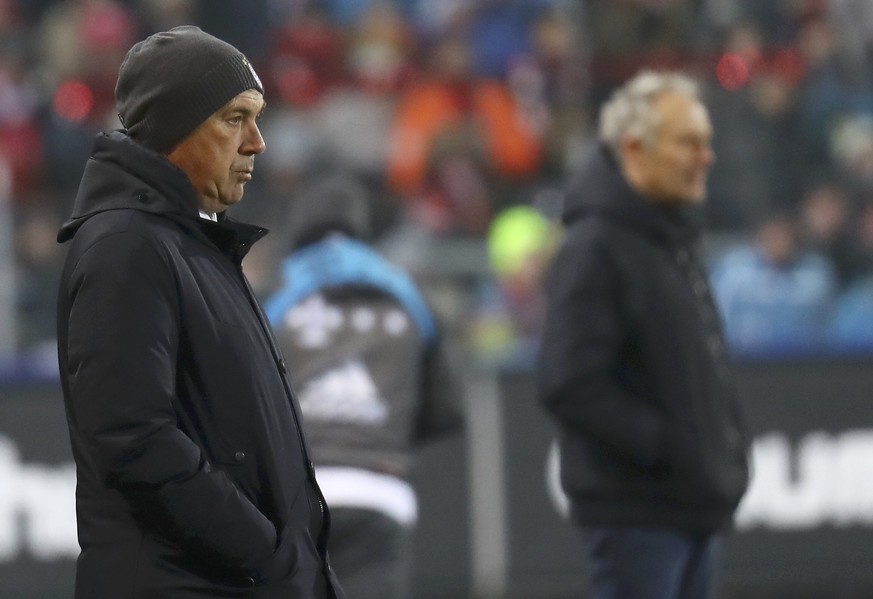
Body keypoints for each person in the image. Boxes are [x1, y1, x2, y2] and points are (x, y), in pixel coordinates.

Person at [55, 26, 342, 599]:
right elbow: (131, 438)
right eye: (234, 119)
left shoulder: (187, 243)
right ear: (174, 128)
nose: (257, 142)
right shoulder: (128, 246)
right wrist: (265, 552)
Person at [537, 70, 750, 599]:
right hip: (638, 510)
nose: (706, 157)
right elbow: (569, 382)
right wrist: (669, 447)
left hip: (687, 505)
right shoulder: (597, 245)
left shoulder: (671, 239)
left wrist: (716, 454)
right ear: (634, 148)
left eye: (706, 142)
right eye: (688, 143)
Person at [264, 174, 462, 599]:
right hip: (378, 490)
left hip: (295, 497)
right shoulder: (408, 296)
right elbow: (446, 410)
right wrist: (383, 437)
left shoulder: (276, 297)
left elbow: (244, 401)